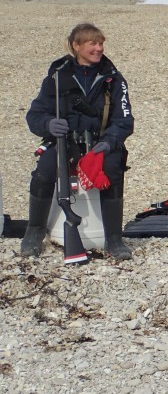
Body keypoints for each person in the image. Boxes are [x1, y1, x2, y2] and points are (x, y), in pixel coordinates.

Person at [22, 23, 135, 260]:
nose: (99, 48)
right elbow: (34, 115)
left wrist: (109, 142)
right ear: (76, 46)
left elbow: (124, 121)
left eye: (101, 43)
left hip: (100, 144)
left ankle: (114, 239)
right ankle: (34, 232)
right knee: (43, 172)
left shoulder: (113, 79)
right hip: (65, 143)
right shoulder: (56, 77)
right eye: (92, 43)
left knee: (113, 169)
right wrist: (49, 125)